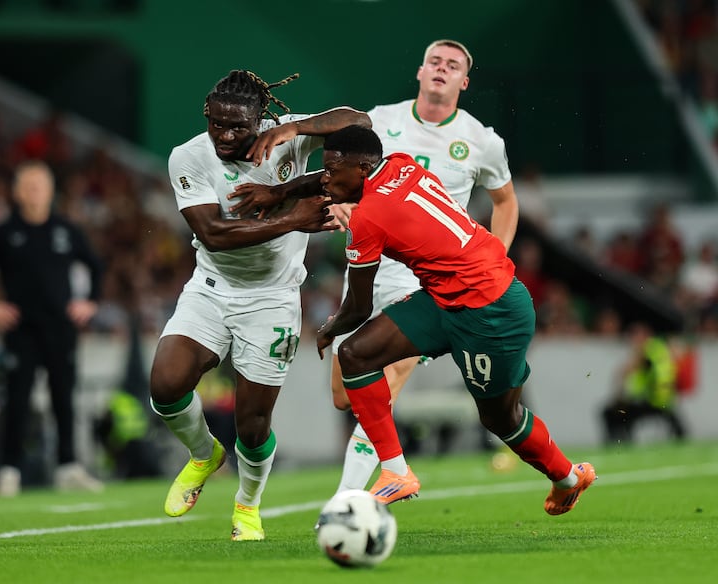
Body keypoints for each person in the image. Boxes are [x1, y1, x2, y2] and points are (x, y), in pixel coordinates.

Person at [313, 125, 596, 515]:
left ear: (362, 168)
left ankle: (567, 477)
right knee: (357, 354)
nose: (325, 179)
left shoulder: (368, 219)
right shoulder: (401, 163)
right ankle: (396, 472)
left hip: (490, 310)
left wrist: (328, 327)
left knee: (500, 418)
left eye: (331, 170)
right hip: (445, 298)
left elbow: (358, 309)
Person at [148, 69, 369, 541]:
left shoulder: (285, 138)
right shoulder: (188, 157)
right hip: (211, 287)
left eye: (239, 127)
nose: (226, 136)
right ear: (207, 116)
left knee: (252, 426)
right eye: (217, 125)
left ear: (260, 119)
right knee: (166, 386)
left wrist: (297, 129)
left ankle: (247, 508)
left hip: (272, 299)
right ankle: (205, 455)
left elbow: (360, 122)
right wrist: (292, 219)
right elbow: (213, 233)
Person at [328, 39, 519, 492]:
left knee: (387, 378)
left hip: (427, 276)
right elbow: (339, 171)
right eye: (435, 61)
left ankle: (348, 499)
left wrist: (491, 259)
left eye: (452, 65)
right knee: (344, 393)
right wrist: (334, 203)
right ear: (419, 71)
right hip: (370, 264)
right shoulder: (382, 120)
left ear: (464, 82)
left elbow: (506, 202)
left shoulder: (481, 140)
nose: (441, 68)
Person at [0, 159, 105, 497]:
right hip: (21, 330)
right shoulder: (5, 233)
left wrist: (90, 302)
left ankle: (68, 466)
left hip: (60, 328)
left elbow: (96, 266)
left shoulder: (66, 230)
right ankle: (9, 470)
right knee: (17, 400)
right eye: (28, 185)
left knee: (63, 398)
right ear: (17, 192)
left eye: (40, 185)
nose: (35, 191)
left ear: (51, 191)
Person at [601, 322, 687, 445]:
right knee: (620, 411)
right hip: (664, 401)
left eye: (636, 336)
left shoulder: (646, 351)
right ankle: (622, 440)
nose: (634, 340)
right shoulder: (659, 348)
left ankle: (620, 442)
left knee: (611, 412)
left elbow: (624, 373)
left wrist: (619, 392)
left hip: (651, 400)